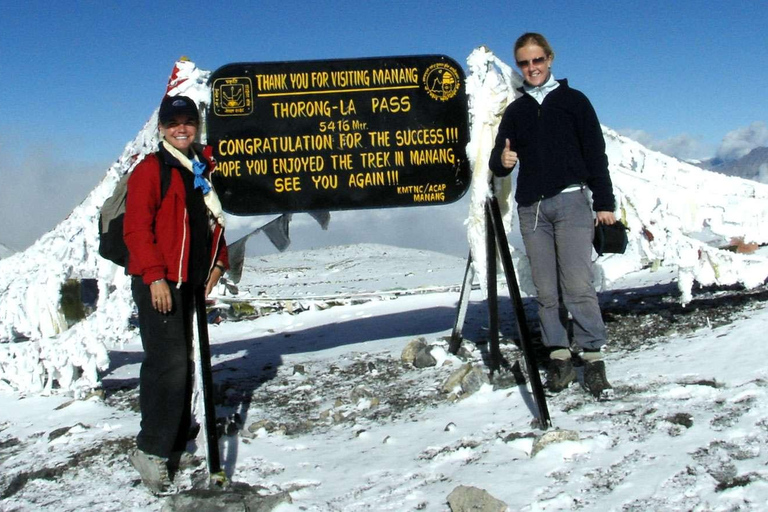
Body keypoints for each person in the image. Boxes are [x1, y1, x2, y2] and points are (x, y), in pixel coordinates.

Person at [489, 33, 615, 399]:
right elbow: (501, 156)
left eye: (537, 60)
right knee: (546, 291)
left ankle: (592, 357)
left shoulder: (575, 102)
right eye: (525, 63)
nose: (532, 68)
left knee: (577, 286)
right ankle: (559, 359)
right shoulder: (516, 111)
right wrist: (503, 161)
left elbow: (595, 154)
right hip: (532, 209)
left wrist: (604, 203)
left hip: (572, 202)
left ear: (550, 59)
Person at [124, 94, 229, 494]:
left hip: (190, 281)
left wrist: (219, 263)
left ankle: (174, 442)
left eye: (188, 121)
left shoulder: (201, 168)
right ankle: (150, 451)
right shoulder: (152, 170)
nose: (181, 128)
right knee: (167, 364)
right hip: (160, 283)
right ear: (162, 128)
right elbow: (136, 229)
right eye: (173, 122)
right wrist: (155, 278)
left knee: (182, 362)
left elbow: (212, 222)